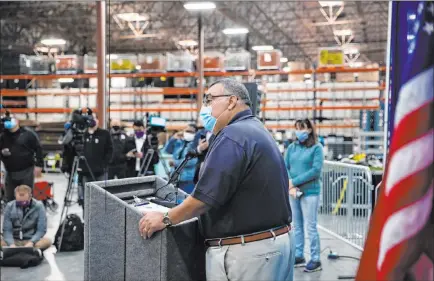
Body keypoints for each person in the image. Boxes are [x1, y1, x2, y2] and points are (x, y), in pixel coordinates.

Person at [138, 79, 295, 281]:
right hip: (272, 244)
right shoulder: (255, 128)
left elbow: (205, 198)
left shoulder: (232, 135)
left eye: (210, 100)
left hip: (249, 253)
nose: (205, 108)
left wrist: (165, 217)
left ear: (231, 101)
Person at [284, 118, 324, 273]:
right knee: (297, 226)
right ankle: (299, 255)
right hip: (294, 192)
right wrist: (290, 183)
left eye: (302, 128)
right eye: (297, 128)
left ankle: (315, 259)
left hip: (310, 193)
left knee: (311, 226)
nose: (299, 131)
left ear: (309, 130)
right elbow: (285, 165)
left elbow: (315, 170)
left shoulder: (317, 148)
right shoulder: (292, 147)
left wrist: (294, 181)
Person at [0, 116, 43, 202]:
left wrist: (39, 165)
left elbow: (38, 149)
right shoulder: (3, 136)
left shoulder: (28, 134)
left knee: (25, 198)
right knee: (10, 199)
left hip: (26, 171)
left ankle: (26, 214)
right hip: (10, 172)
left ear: (17, 121)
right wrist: (2, 153)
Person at [1, 185, 51, 251]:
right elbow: (7, 230)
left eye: (24, 202)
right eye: (19, 202)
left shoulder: (39, 206)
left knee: (47, 241)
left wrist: (31, 242)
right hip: (14, 240)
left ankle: (27, 250)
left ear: (30, 197)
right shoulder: (9, 206)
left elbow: (41, 230)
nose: (22, 205)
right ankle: (30, 251)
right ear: (15, 197)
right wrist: (11, 244)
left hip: (32, 240)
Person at [79, 113, 113, 205]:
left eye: (94, 118)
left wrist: (105, 164)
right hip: (85, 172)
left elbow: (110, 150)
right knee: (87, 199)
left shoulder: (104, 133)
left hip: (100, 172)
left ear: (97, 120)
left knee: (101, 198)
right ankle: (86, 218)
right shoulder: (83, 134)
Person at [163, 124, 198, 194]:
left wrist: (175, 163)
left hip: (187, 179)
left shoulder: (196, 145)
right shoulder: (179, 142)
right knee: (173, 199)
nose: (189, 133)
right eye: (187, 131)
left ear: (195, 134)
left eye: (191, 132)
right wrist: (173, 139)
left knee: (185, 198)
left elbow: (192, 161)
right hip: (174, 177)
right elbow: (167, 150)